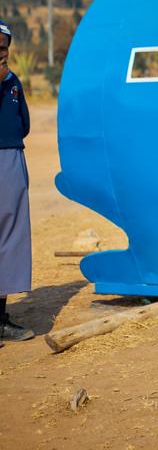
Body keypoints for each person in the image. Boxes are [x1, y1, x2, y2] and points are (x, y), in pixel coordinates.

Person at [0, 20, 34, 346]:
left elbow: (23, 125)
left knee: (9, 241)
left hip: (11, 160)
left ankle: (1, 319)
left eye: (4, 46)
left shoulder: (13, 83)